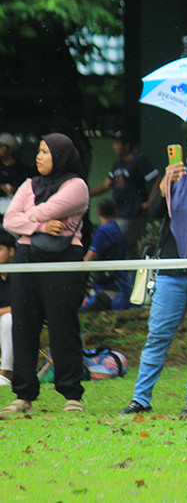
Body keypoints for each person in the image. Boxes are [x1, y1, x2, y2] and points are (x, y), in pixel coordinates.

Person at [120, 126, 187, 417]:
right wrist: (165, 183)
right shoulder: (177, 179)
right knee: (158, 336)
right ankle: (141, 398)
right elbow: (154, 212)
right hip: (170, 272)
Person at [1, 133, 90, 417]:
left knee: (62, 323)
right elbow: (9, 219)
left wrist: (27, 216)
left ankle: (71, 393)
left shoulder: (77, 186)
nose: (38, 157)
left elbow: (45, 210)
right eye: (38, 151)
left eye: (45, 152)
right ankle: (24, 394)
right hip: (27, 257)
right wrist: (38, 226)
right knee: (24, 323)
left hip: (63, 256)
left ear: (61, 155)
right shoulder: (29, 184)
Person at [89, 129, 161, 255]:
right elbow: (107, 184)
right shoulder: (118, 164)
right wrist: (87, 194)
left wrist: (150, 201)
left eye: (117, 143)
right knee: (128, 249)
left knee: (120, 247)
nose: (114, 146)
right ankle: (131, 274)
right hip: (118, 212)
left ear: (127, 145)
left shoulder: (138, 160)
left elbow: (157, 179)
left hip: (132, 212)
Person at [81, 198, 132, 312]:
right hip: (120, 279)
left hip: (106, 283)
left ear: (98, 212)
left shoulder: (103, 231)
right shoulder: (121, 231)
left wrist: (79, 269)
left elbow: (92, 254)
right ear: (116, 212)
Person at [0, 228, 17, 385]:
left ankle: (6, 373)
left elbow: (26, 306)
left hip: (21, 325)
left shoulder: (22, 274)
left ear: (11, 251)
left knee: (8, 320)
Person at [0, 133, 31, 215]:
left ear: (9, 149)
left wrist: (14, 189)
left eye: (1, 147)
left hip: (15, 208)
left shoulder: (22, 168)